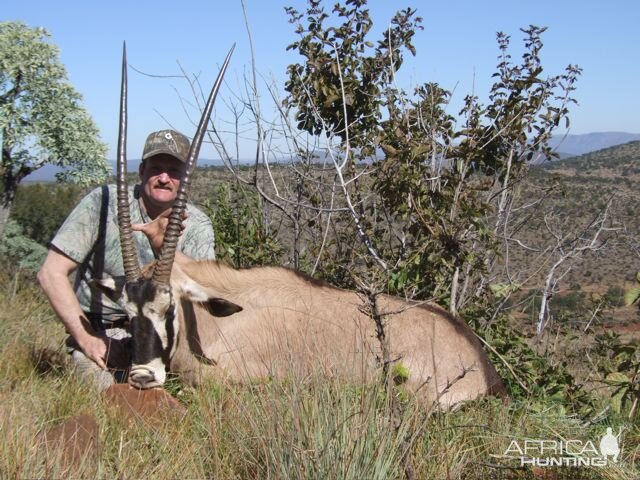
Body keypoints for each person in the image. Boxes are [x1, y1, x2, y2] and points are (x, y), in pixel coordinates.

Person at [37, 129, 216, 390]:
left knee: (204, 393)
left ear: (186, 178)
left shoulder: (198, 224)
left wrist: (162, 246)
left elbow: (207, 288)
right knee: (115, 397)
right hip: (106, 334)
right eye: (156, 168)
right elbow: (50, 274)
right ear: (142, 170)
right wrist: (88, 340)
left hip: (169, 337)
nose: (164, 178)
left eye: (174, 170)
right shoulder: (103, 203)